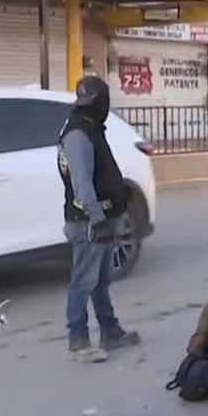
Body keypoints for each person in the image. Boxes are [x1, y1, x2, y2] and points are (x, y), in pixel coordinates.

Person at [58, 75, 140, 363]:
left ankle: (110, 331)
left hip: (99, 218)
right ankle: (78, 339)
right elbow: (82, 184)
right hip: (88, 222)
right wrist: (98, 219)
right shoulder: (78, 134)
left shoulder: (90, 128)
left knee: (99, 280)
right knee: (83, 280)